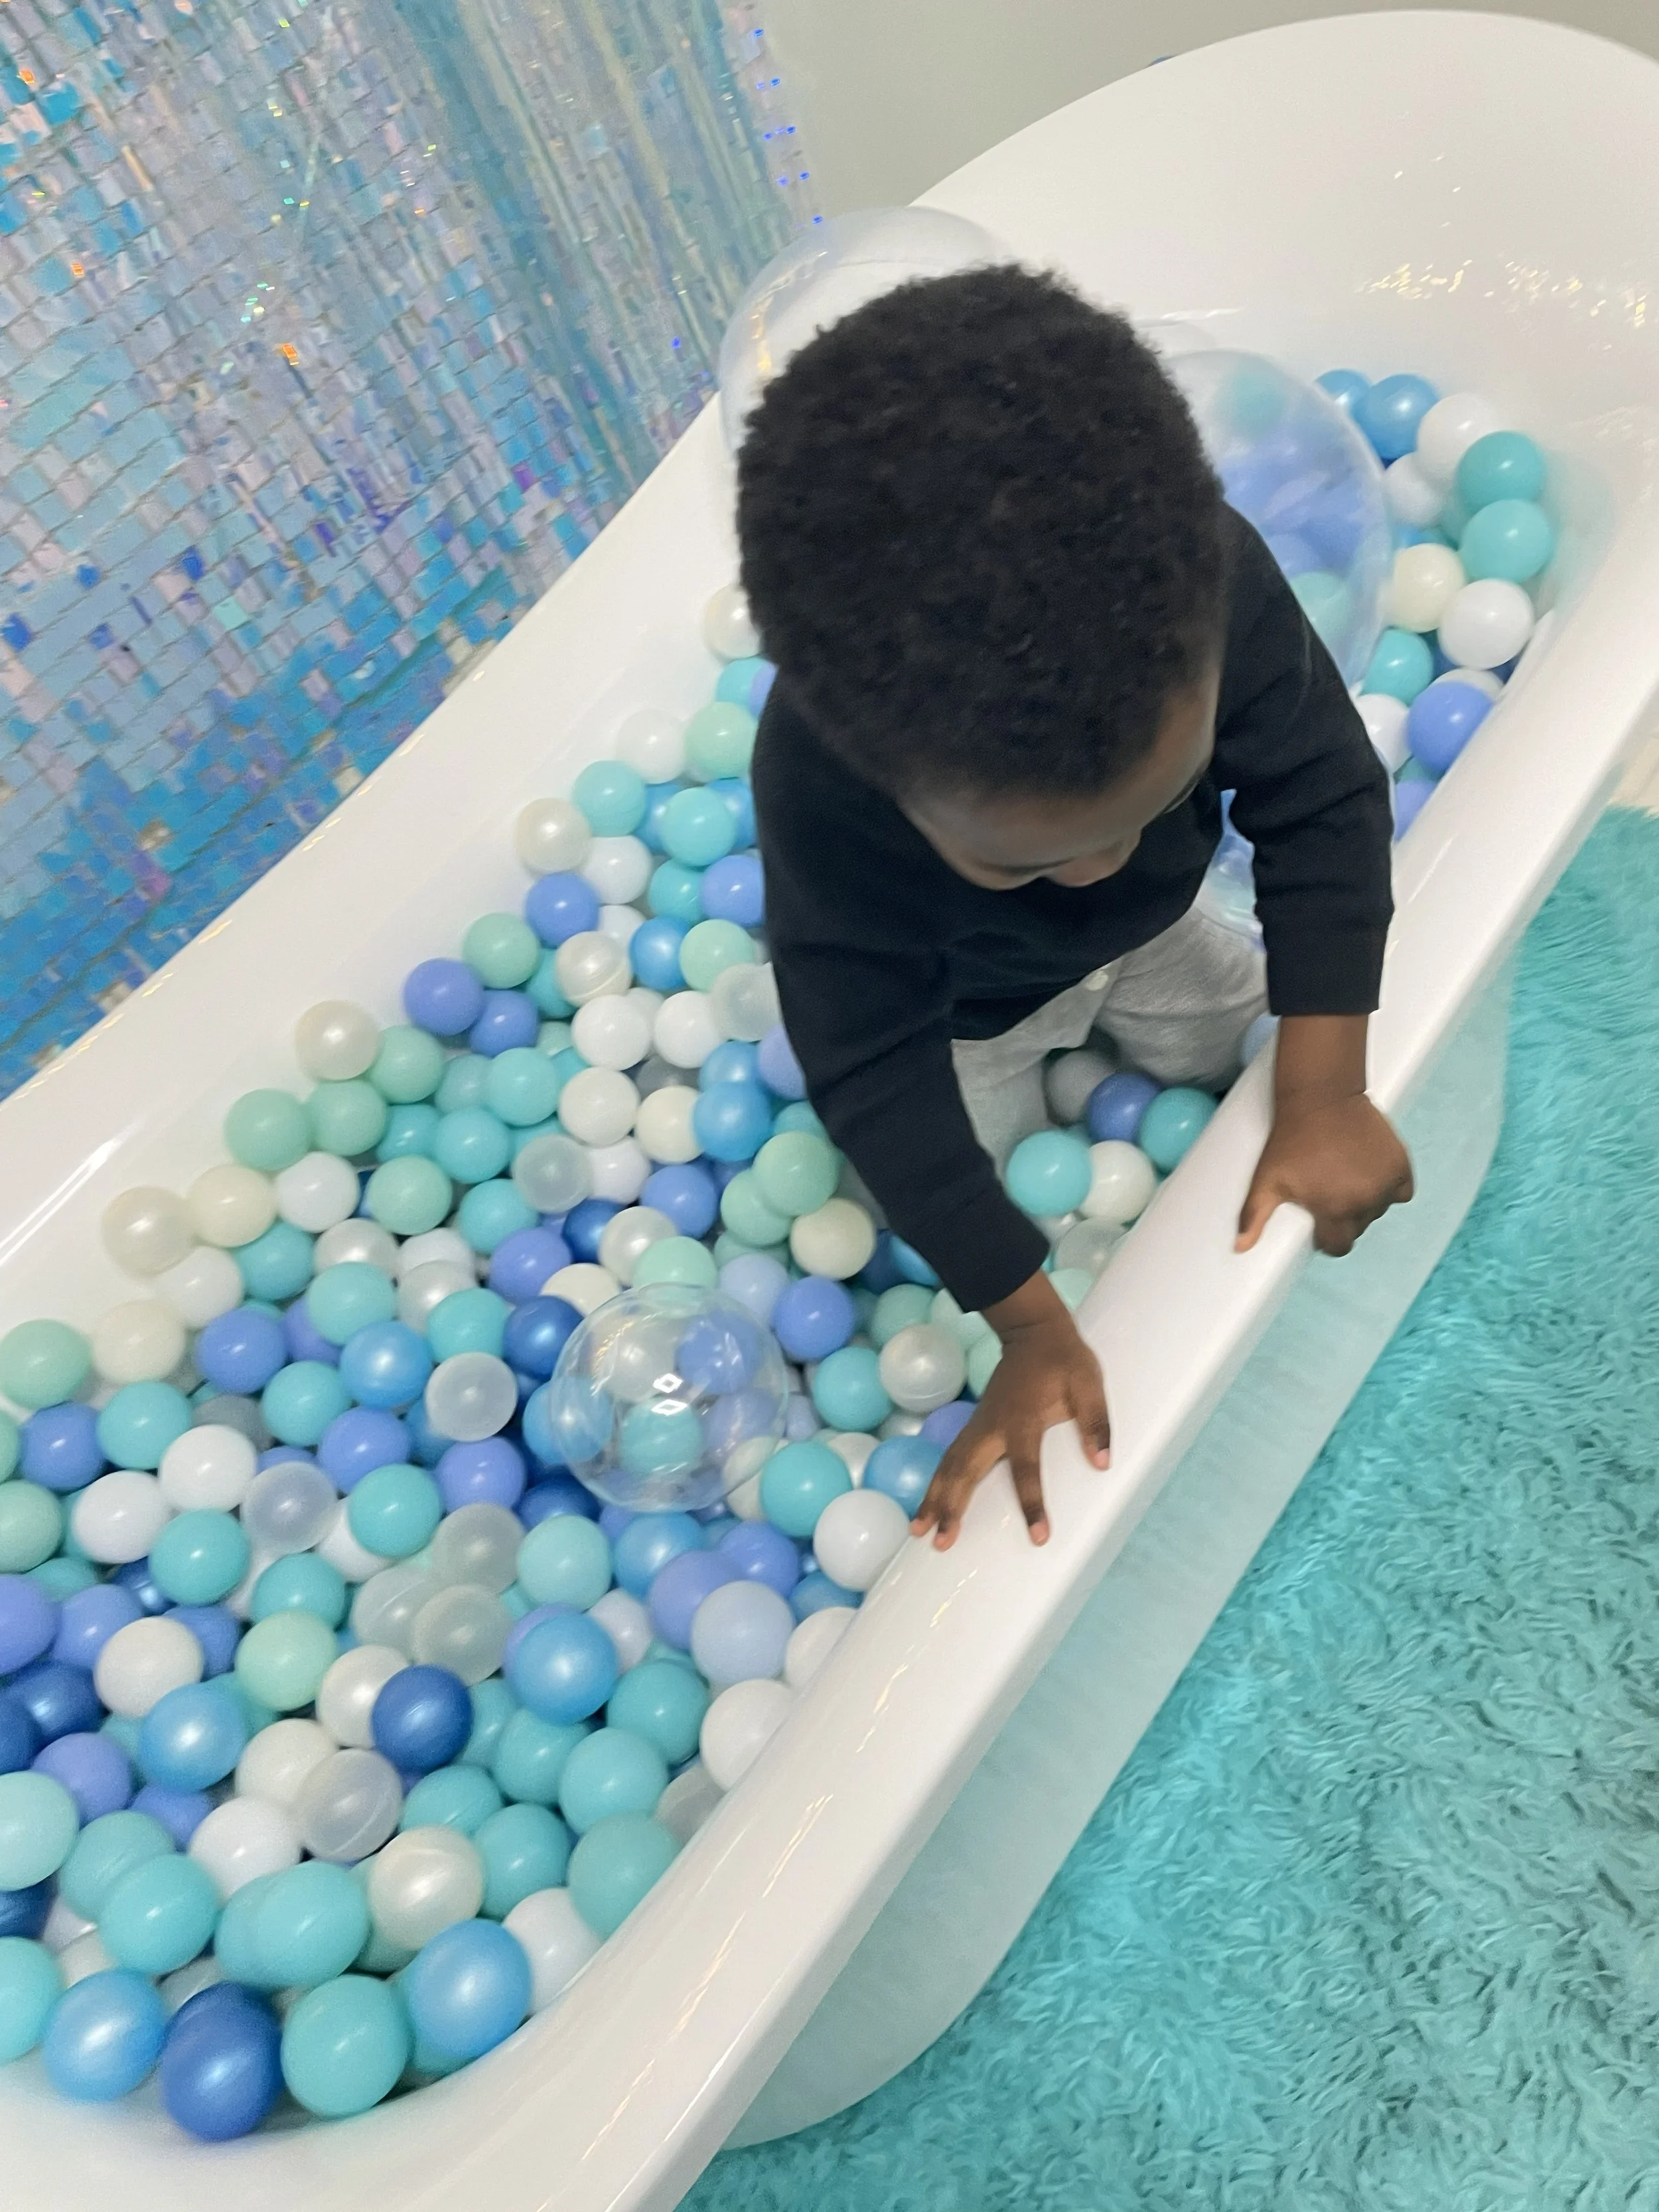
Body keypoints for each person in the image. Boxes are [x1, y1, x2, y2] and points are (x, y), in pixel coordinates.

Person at [739, 264, 1413, 1551]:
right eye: (1026, 861)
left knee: (1247, 1052)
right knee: (938, 1193)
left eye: (1150, 806)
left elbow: (1323, 795)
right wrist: (1030, 1325)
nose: (1099, 867)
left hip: (1155, 945)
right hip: (964, 1018)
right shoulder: (822, 782)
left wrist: (1325, 1090)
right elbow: (871, 1065)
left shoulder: (1205, 582)